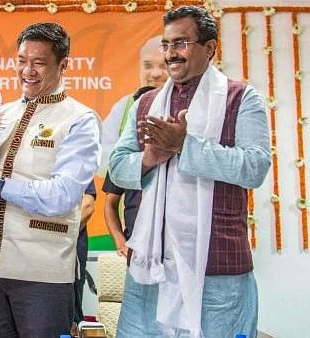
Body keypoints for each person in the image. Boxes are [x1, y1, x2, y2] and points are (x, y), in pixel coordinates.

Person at [109, 6, 271, 337]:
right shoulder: (146, 103)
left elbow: (255, 166)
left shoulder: (240, 98)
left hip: (218, 269)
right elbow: (117, 164)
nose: (171, 54)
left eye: (181, 43)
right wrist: (150, 158)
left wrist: (186, 145)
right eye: (166, 45)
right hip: (150, 268)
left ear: (209, 48)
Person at [0, 23, 101, 337]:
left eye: (39, 63)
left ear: (64, 65)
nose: (27, 71)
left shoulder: (80, 120)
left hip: (44, 275)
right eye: (21, 60)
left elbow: (61, 196)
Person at [100, 35, 168, 173]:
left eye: (164, 65)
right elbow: (99, 156)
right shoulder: (125, 105)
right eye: (148, 66)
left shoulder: (191, 104)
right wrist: (144, 160)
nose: (155, 73)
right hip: (134, 191)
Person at [102, 86, 156, 257]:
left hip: (173, 247)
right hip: (135, 246)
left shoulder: (176, 150)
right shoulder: (122, 157)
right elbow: (110, 204)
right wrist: (121, 243)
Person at [72, 180, 96, 334]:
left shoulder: (76, 159)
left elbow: (88, 205)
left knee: (70, 315)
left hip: (69, 251)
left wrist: (57, 234)